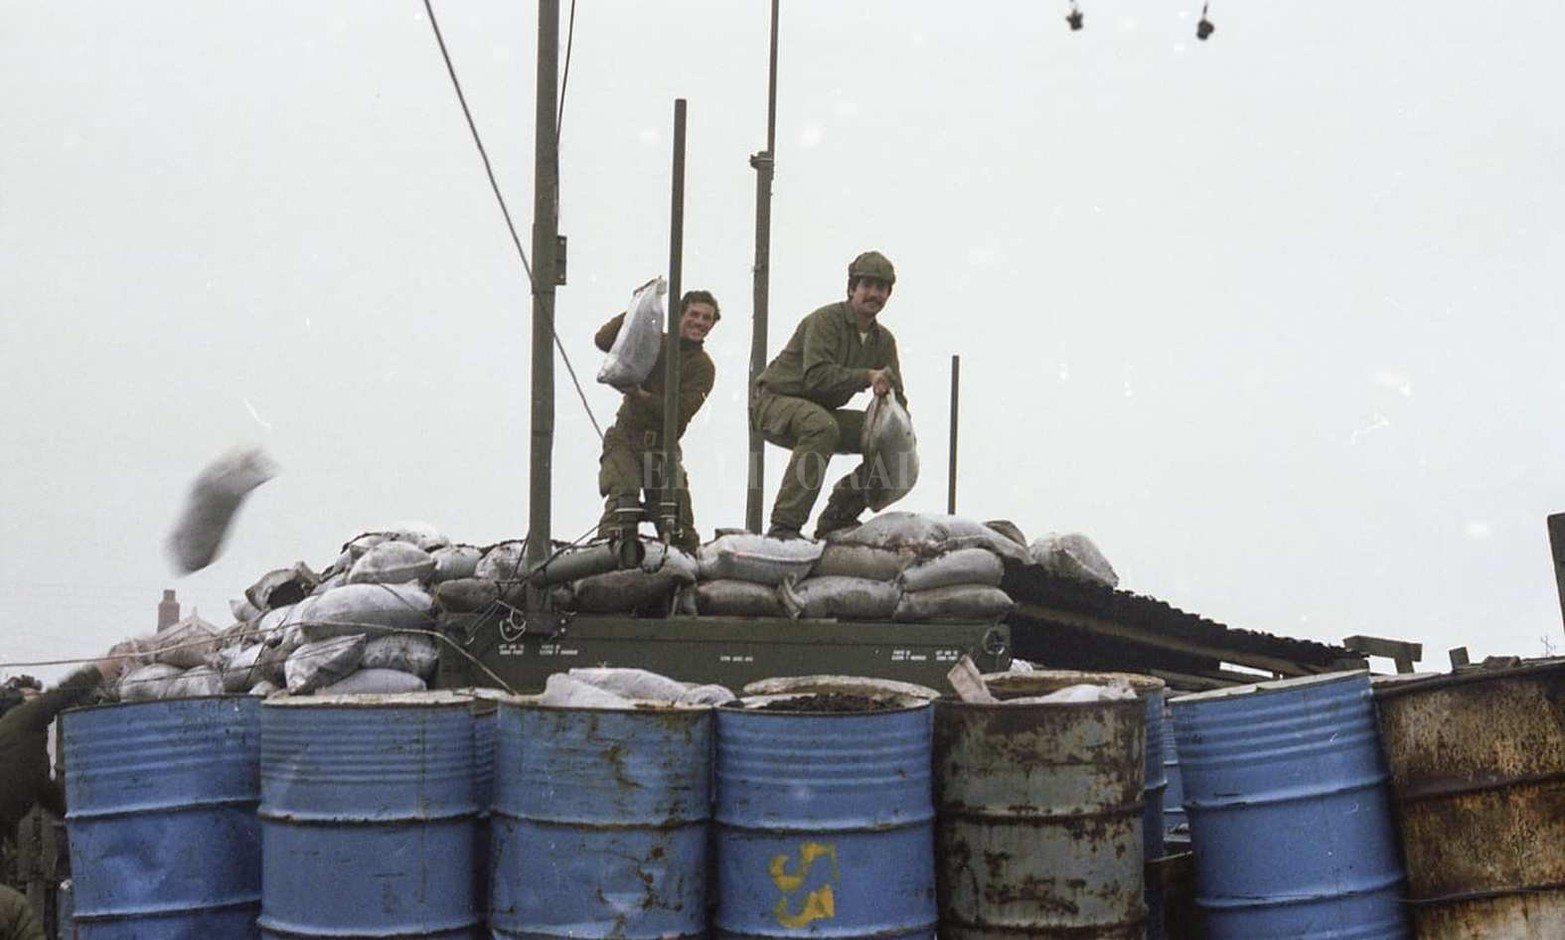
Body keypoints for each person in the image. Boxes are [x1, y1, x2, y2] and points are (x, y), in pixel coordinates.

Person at [752, 250, 908, 540]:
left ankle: (838, 516)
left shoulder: (883, 340)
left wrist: (902, 431)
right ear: (852, 289)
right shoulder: (826, 321)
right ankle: (784, 526)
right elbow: (816, 378)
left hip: (821, 411)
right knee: (821, 427)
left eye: (882, 288)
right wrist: (866, 376)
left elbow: (897, 399)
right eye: (867, 286)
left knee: (890, 444)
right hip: (775, 402)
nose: (874, 294)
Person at [594, 289, 719, 553]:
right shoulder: (653, 342)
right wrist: (639, 307)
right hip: (627, 439)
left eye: (706, 318)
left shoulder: (702, 367)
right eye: (693, 314)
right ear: (679, 316)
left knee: (677, 525)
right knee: (622, 505)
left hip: (662, 448)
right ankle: (603, 567)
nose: (699, 322)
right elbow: (604, 340)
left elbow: (679, 412)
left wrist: (640, 395)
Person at [0, 654, 118, 848]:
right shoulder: (22, 718)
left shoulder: (29, 745)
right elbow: (61, 696)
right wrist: (102, 669)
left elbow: (46, 791)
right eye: (33, 696)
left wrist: (84, 820)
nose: (39, 700)